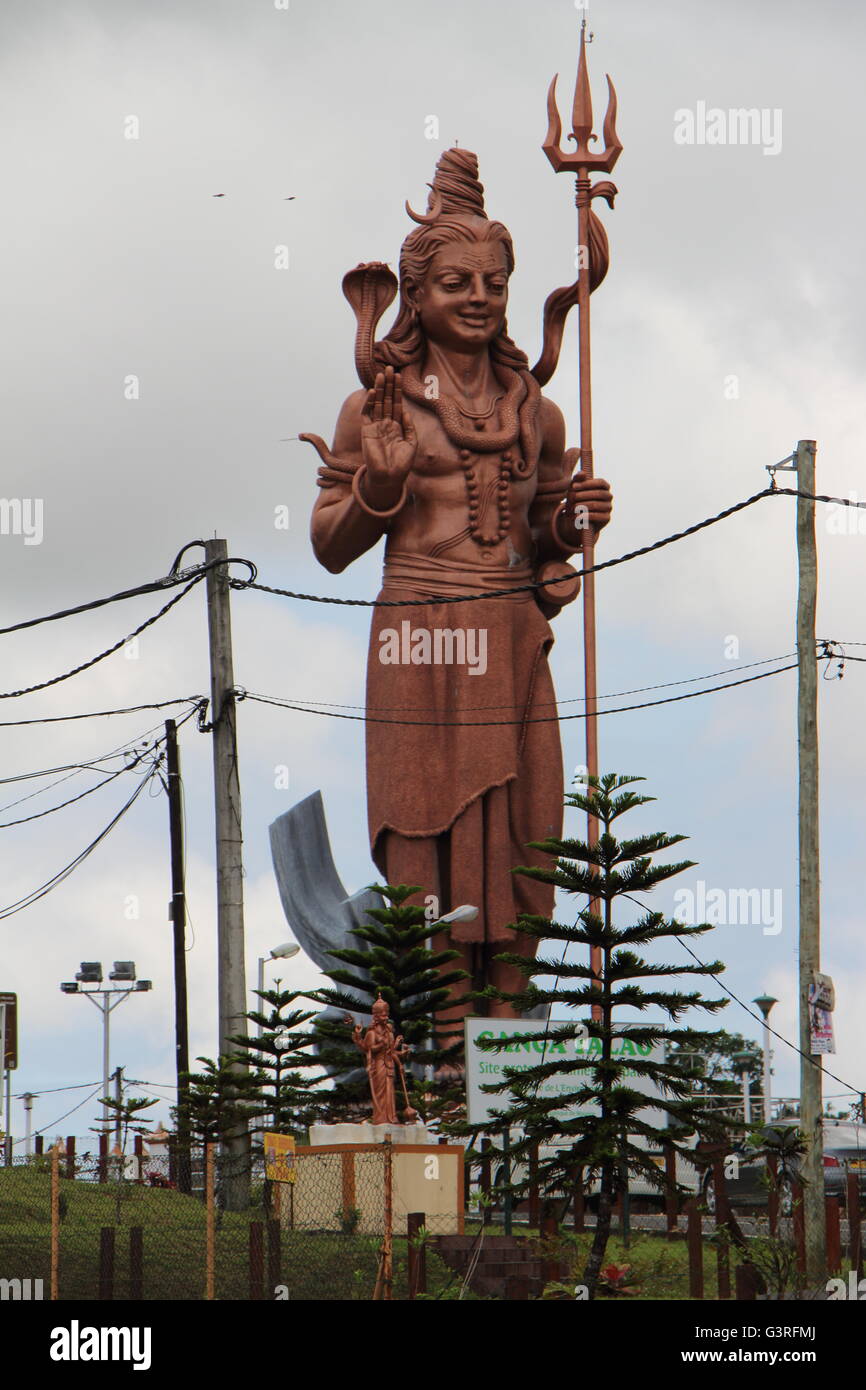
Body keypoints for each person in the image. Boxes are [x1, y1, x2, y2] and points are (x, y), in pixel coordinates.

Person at [307, 149, 612, 1020]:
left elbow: (548, 529)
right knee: (423, 830)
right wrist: (380, 485)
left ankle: (509, 1022)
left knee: (531, 828)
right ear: (417, 294)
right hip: (420, 634)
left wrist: (576, 518)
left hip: (512, 636)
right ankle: (439, 1036)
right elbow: (330, 546)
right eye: (455, 283)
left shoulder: (537, 412)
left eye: (493, 283)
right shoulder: (378, 409)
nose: (478, 298)